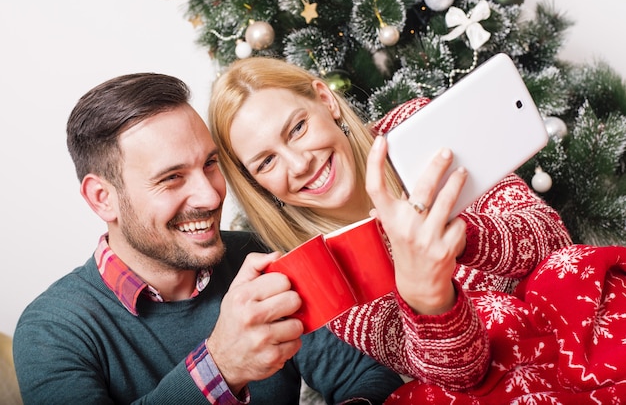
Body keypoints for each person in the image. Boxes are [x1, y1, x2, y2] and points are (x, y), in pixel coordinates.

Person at [12, 73, 405, 405]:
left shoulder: (253, 255)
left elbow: (362, 375)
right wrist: (221, 365)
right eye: (172, 178)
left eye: (210, 164)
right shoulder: (52, 330)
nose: (211, 195)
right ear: (103, 198)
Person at [206, 57, 573, 389]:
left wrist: (461, 236)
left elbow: (556, 243)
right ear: (258, 183)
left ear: (326, 100)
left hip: (572, 324)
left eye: (297, 128)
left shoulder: (415, 132)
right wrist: (426, 297)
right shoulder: (329, 276)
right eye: (267, 162)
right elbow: (462, 374)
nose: (299, 164)